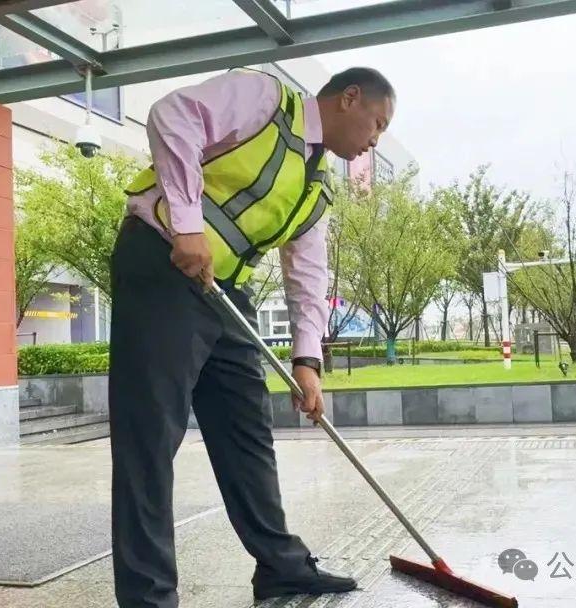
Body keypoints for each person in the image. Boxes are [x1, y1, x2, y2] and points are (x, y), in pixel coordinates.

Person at [108, 66, 394, 607]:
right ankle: (148, 598)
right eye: (376, 123)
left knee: (247, 429)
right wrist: (188, 225)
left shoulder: (317, 189)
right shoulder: (266, 96)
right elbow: (172, 115)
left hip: (221, 290)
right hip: (161, 258)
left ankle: (281, 566)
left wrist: (307, 359)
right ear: (349, 99)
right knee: (149, 439)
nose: (375, 139)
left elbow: (309, 275)